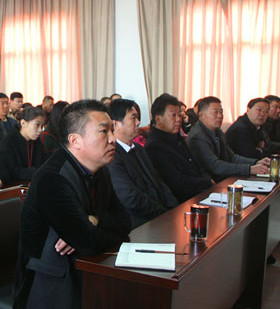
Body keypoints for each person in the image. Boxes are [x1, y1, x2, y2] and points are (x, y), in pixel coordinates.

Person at [13, 99, 130, 309]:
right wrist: (89, 231)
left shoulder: (99, 169)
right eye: (104, 132)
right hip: (50, 282)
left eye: (112, 130)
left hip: (83, 268)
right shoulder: (53, 178)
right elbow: (90, 242)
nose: (113, 139)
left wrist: (95, 220)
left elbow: (125, 221)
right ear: (75, 140)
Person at [107, 99, 178, 229]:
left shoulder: (139, 149)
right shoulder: (112, 156)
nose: (138, 122)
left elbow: (158, 180)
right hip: (139, 223)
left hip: (160, 216)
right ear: (116, 124)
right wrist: (163, 214)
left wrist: (173, 207)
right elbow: (130, 197)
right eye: (133, 118)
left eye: (138, 118)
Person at [145, 94, 213, 203]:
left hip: (200, 192)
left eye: (179, 115)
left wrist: (208, 181)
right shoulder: (155, 147)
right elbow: (176, 183)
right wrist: (207, 182)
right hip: (183, 201)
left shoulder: (176, 137)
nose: (178, 120)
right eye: (173, 115)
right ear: (158, 119)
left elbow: (196, 166)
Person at [186, 97, 269, 182]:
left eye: (221, 112)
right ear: (201, 115)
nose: (220, 116)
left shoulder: (218, 131)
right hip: (210, 183)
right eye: (215, 112)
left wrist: (256, 162)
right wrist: (249, 169)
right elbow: (215, 166)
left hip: (223, 178)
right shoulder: (197, 136)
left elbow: (232, 157)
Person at [0, 106, 46, 182]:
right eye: (37, 125)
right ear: (23, 123)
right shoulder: (9, 141)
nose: (40, 130)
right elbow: (10, 172)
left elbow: (43, 163)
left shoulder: (36, 141)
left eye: (42, 126)